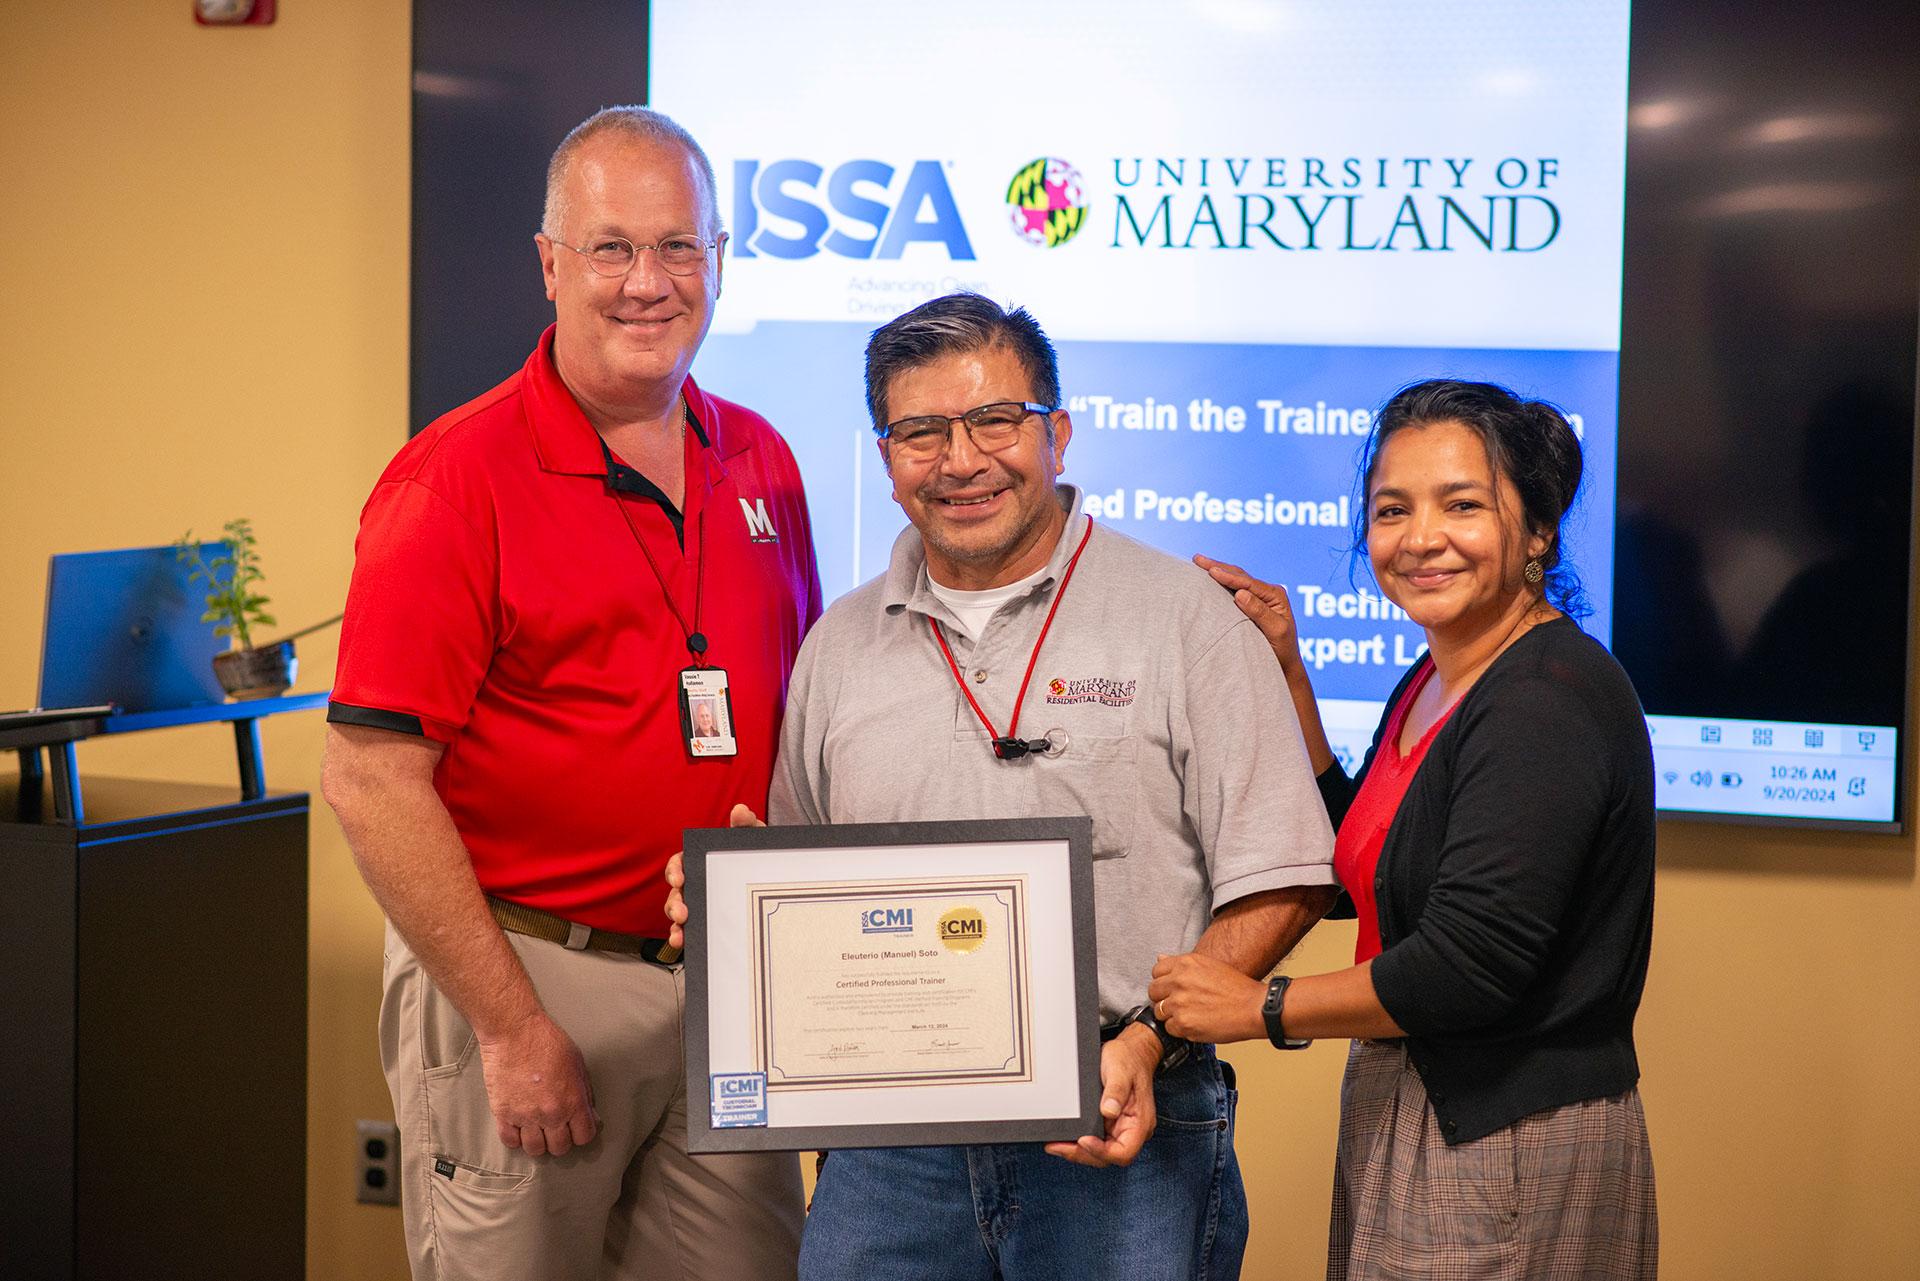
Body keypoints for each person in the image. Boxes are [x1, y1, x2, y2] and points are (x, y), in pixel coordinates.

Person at [672, 292, 1339, 1280]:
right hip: (889, 1152)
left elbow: (1288, 875)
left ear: (1057, 434)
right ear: (886, 456)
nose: (961, 459)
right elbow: (804, 897)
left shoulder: (1187, 620)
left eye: (995, 421)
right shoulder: (838, 648)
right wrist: (737, 919)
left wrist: (1149, 1043)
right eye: (921, 431)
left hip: (1122, 1118)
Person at [322, 106, 821, 1281]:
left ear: (720, 261)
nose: (649, 282)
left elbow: (789, 709)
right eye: (612, 248)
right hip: (533, 972)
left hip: (723, 989)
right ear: (551, 265)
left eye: (679, 247)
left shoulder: (761, 455)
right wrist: (509, 1026)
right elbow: (369, 779)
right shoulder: (453, 480)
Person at [1149, 379, 1658, 1280]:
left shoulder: (1544, 701)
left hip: (1504, 1130)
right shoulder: (1437, 680)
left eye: (1462, 504)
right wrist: (1288, 674)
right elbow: (1370, 864)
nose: (1420, 537)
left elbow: (1467, 967)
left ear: (1537, 530)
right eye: (1393, 509)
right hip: (1420, 1096)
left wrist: (1256, 1006)